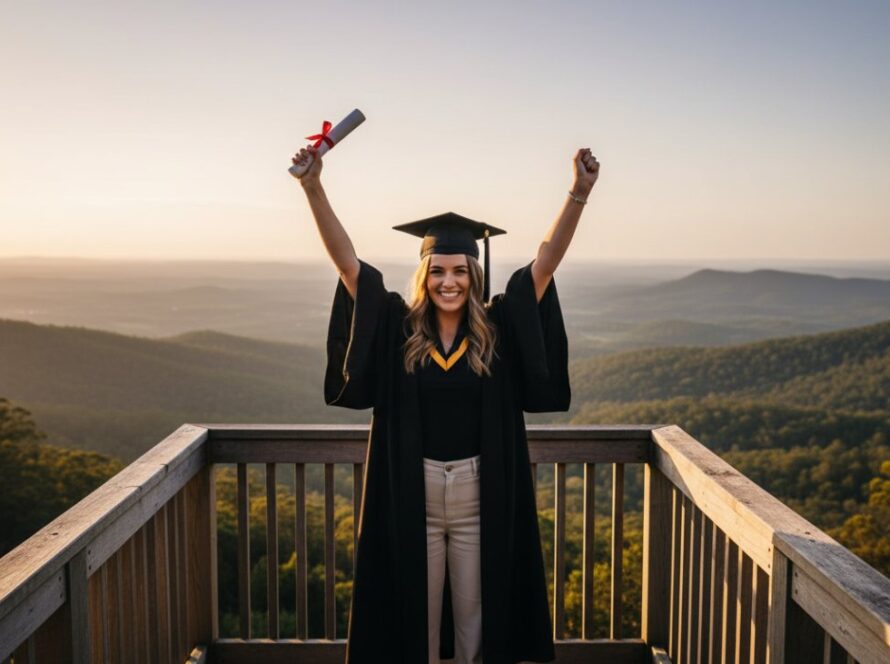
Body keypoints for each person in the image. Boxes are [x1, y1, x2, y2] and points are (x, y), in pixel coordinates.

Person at [293, 143, 599, 664]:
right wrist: (312, 186)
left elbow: (544, 264)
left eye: (459, 271)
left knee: (476, 619)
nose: (449, 282)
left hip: (480, 493)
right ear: (424, 276)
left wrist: (578, 193)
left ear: (474, 276)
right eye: (438, 272)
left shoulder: (497, 329)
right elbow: (350, 265)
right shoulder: (399, 328)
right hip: (415, 494)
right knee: (417, 616)